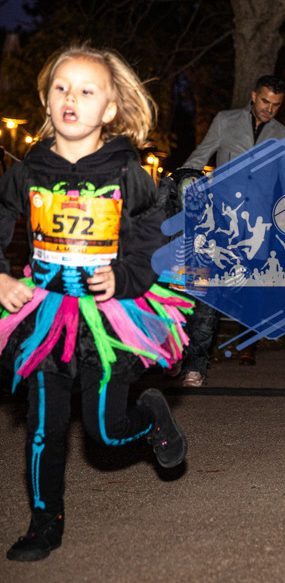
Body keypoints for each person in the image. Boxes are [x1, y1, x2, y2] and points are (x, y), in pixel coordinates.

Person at [0, 44, 192, 562]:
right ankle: (44, 523)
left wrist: (127, 276)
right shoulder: (28, 169)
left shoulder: (128, 170)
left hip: (108, 317)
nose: (71, 98)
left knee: (105, 432)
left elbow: (153, 233)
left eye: (87, 91)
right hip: (45, 314)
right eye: (61, 87)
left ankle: (150, 415)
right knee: (44, 425)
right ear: (46, 101)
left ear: (108, 110)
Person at [178, 75, 285, 380]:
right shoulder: (225, 121)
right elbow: (199, 157)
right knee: (208, 290)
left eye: (276, 105)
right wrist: (181, 184)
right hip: (221, 219)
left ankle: (248, 341)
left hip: (258, 224)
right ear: (254, 96)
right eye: (265, 101)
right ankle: (195, 363)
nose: (269, 109)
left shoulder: (283, 134)